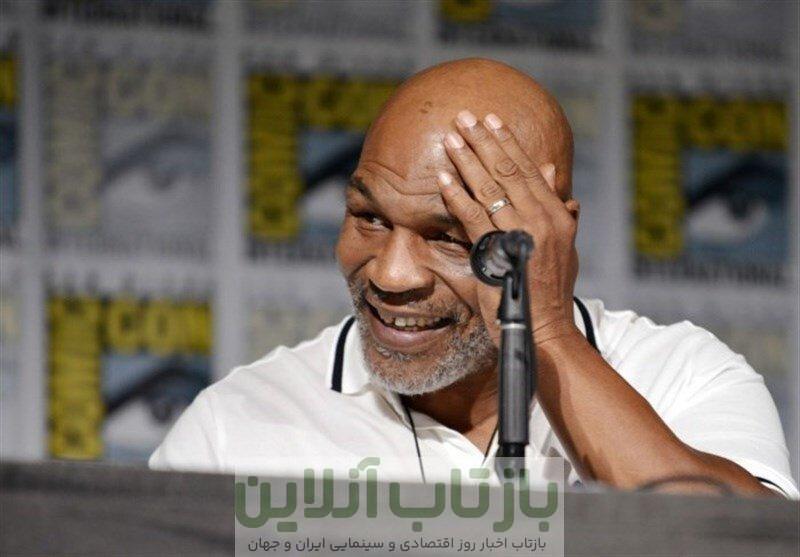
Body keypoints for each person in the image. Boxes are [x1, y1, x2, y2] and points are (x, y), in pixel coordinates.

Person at [150, 58, 797, 497]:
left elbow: (739, 543)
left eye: (448, 237)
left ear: (554, 234)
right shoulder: (237, 426)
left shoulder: (682, 376)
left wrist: (546, 331)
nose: (392, 274)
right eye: (369, 217)